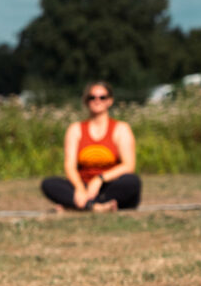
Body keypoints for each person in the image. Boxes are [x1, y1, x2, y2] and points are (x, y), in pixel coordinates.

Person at [41, 81, 141, 212]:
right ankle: (96, 206)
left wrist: (100, 179)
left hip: (109, 185)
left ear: (110, 101)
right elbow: (69, 166)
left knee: (131, 182)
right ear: (86, 101)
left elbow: (128, 165)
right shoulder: (75, 129)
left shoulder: (121, 129)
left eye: (102, 97)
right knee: (49, 184)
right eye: (92, 97)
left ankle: (78, 205)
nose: (97, 101)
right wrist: (80, 188)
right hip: (83, 186)